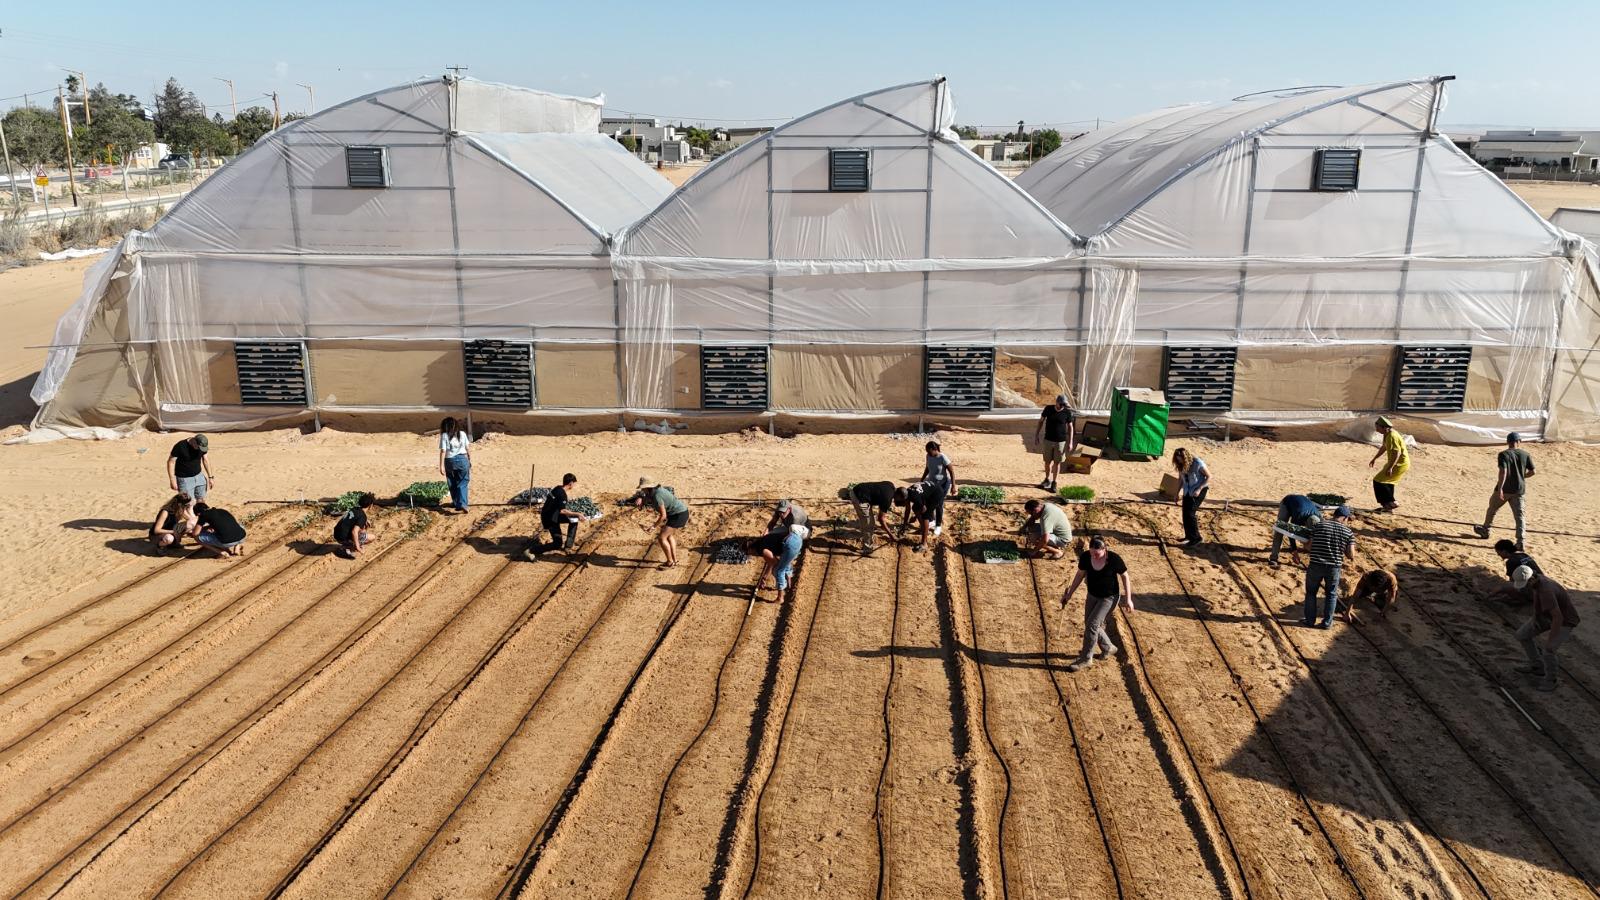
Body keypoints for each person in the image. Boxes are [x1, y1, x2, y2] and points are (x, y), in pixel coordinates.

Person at [1060, 536, 1133, 672]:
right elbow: (1080, 574)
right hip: (1092, 595)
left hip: (1109, 598)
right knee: (1090, 624)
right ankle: (1108, 647)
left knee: (1092, 625)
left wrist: (1128, 599)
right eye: (1092, 552)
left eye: (1097, 553)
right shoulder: (1086, 557)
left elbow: (1125, 576)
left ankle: (1086, 658)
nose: (1094, 555)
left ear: (1104, 549)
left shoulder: (1114, 559)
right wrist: (1069, 593)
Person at [1512, 565, 1580, 692]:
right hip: (1547, 616)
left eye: (1525, 584)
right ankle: (1537, 666)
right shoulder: (1537, 580)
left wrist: (1550, 640)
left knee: (1548, 650)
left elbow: (1558, 618)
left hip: (1565, 620)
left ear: (1531, 579)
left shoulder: (1546, 591)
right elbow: (1537, 602)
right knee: (1522, 635)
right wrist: (1536, 618)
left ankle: (1551, 680)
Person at [1475, 432, 1534, 548]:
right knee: (1519, 516)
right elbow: (1533, 472)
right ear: (1519, 441)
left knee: (1492, 509)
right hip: (1519, 490)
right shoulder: (1525, 454)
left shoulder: (1503, 454)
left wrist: (1501, 488)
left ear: (1508, 442)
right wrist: (1522, 477)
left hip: (1505, 489)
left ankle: (1486, 530)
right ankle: (1521, 541)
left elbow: (1503, 472)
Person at [1304, 506, 1356, 628]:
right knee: (1331, 594)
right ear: (1345, 518)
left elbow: (1309, 547)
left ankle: (1309, 621)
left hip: (1316, 564)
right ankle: (1327, 623)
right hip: (1334, 567)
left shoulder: (1319, 525)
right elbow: (1351, 555)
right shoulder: (1348, 532)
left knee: (1311, 593)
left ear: (1334, 515)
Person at [634, 477, 689, 569]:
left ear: (648, 487)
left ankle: (670, 562)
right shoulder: (657, 490)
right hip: (679, 513)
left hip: (678, 515)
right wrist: (642, 499)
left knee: (661, 538)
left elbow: (663, 516)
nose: (642, 490)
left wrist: (653, 527)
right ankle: (674, 560)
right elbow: (649, 497)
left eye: (643, 488)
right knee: (669, 536)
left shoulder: (657, 496)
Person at [525, 474, 583, 559]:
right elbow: (563, 511)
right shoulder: (562, 494)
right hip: (550, 519)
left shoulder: (558, 488)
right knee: (557, 544)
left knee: (574, 520)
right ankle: (531, 551)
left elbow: (558, 505)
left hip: (552, 515)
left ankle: (568, 546)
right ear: (570, 483)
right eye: (574, 483)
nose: (574, 485)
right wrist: (578, 513)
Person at [748, 522, 808, 595]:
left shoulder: (762, 550)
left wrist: (768, 576)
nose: (752, 555)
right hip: (797, 540)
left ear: (750, 549)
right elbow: (771, 562)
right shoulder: (763, 541)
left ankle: (780, 597)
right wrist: (764, 577)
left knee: (778, 570)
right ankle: (789, 583)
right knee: (784, 562)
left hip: (790, 544)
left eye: (749, 553)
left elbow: (774, 563)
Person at [1034, 394, 1076, 491]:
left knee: (1057, 462)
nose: (1062, 406)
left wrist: (1070, 442)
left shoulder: (1067, 412)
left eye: (1063, 405)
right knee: (1047, 462)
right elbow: (1040, 421)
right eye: (1060, 404)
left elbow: (1070, 427)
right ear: (1056, 402)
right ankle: (1047, 479)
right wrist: (1036, 435)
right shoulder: (1048, 409)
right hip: (1048, 440)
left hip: (1060, 441)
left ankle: (1054, 482)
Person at [1268, 493, 1323, 567]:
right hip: (1287, 502)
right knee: (1280, 528)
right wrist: (1295, 552)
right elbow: (1290, 533)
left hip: (1302, 502)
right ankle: (1273, 558)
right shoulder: (1299, 516)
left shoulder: (1320, 518)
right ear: (1306, 523)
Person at [1368, 417, 1410, 511]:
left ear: (1385, 428)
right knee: (1388, 482)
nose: (1376, 429)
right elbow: (1384, 447)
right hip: (1397, 463)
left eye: (1378, 427)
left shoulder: (1392, 436)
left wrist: (1390, 467)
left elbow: (1397, 453)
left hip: (1399, 464)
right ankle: (1388, 507)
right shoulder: (1387, 434)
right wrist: (1375, 458)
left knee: (1378, 481)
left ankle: (1392, 503)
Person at [1172, 448, 1210, 547]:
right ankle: (1189, 536)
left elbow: (1209, 476)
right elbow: (1181, 479)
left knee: (1190, 513)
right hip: (1188, 491)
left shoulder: (1197, 463)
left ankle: (1196, 538)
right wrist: (1176, 493)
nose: (1179, 461)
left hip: (1199, 490)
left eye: (1180, 459)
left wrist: (1199, 489)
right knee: (1185, 513)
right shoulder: (1180, 465)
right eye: (1177, 459)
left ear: (1185, 457)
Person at [848, 481, 900, 553]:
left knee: (869, 521)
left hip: (859, 489)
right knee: (869, 524)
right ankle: (867, 549)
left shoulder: (890, 485)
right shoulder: (887, 499)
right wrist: (891, 535)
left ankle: (866, 537)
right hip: (858, 497)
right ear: (898, 496)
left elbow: (875, 492)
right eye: (901, 500)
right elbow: (881, 519)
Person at [437, 417, 472, 513]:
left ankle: (456, 502)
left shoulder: (444, 435)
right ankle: (463, 504)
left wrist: (441, 466)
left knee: (452, 482)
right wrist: (469, 460)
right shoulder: (463, 434)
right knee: (463, 482)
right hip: (462, 460)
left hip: (450, 461)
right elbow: (467, 448)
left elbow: (443, 451)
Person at [898, 480, 945, 551]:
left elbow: (924, 509)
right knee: (915, 508)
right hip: (930, 490)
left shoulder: (914, 496)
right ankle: (923, 529)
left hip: (936, 493)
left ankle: (924, 543)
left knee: (926, 515)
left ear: (903, 498)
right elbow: (908, 510)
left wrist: (915, 517)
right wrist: (904, 525)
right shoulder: (906, 493)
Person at [1492, 539, 1542, 604]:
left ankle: (1522, 600)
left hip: (1533, 592)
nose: (1498, 555)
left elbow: (1512, 583)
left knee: (1505, 587)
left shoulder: (1511, 562)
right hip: (1542, 586)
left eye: (1498, 552)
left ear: (1504, 551)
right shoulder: (1524, 555)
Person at [167, 434, 214, 501]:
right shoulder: (180, 446)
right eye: (199, 447)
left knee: (201, 500)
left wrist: (210, 477)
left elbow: (205, 460)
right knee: (187, 504)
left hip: (199, 476)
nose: (200, 449)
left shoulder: (202, 446)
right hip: (184, 480)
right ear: (194, 441)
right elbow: (171, 462)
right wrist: (172, 480)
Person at [920, 441, 957, 516]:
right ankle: (932, 519)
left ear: (934, 449)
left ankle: (938, 523)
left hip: (943, 484)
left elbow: (951, 472)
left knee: (939, 503)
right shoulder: (928, 456)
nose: (928, 453)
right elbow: (927, 468)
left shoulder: (942, 457)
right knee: (930, 501)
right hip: (932, 483)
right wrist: (922, 479)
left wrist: (953, 486)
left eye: (929, 451)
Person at [334, 493, 376, 559]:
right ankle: (347, 547)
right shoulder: (362, 516)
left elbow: (354, 518)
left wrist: (365, 520)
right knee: (372, 537)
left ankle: (349, 545)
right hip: (343, 538)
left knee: (363, 529)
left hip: (336, 534)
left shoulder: (355, 508)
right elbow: (354, 531)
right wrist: (358, 547)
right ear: (370, 505)